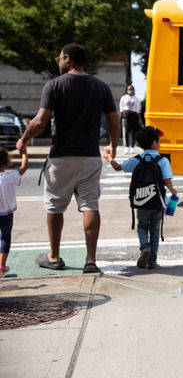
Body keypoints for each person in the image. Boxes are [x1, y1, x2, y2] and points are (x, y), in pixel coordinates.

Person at [16, 43, 121, 274]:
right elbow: (115, 120)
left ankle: (54, 256)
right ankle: (90, 261)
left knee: (54, 207)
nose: (58, 63)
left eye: (59, 59)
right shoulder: (101, 87)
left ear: (67, 59)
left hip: (61, 156)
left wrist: (23, 139)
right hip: (89, 156)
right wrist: (113, 145)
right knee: (90, 205)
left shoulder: (54, 86)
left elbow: (40, 121)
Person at [107, 126, 177, 270]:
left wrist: (109, 158)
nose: (159, 144)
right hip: (157, 202)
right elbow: (167, 181)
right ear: (154, 143)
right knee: (155, 230)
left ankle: (145, 247)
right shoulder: (162, 160)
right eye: (158, 141)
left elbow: (118, 167)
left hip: (141, 201)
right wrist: (173, 191)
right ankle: (152, 261)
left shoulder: (137, 160)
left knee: (142, 226)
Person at [0, 146, 28, 277]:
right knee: (5, 238)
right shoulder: (11, 176)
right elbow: (23, 167)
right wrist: (24, 153)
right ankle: (1, 266)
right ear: (6, 162)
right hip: (7, 215)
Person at [119, 84, 142, 153]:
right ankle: (127, 147)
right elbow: (121, 108)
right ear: (127, 90)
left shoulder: (136, 98)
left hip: (134, 115)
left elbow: (138, 109)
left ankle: (132, 147)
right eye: (129, 89)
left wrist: (139, 119)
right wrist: (120, 117)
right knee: (126, 131)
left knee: (133, 131)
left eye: (131, 89)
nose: (130, 90)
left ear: (134, 90)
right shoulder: (123, 98)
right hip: (126, 115)